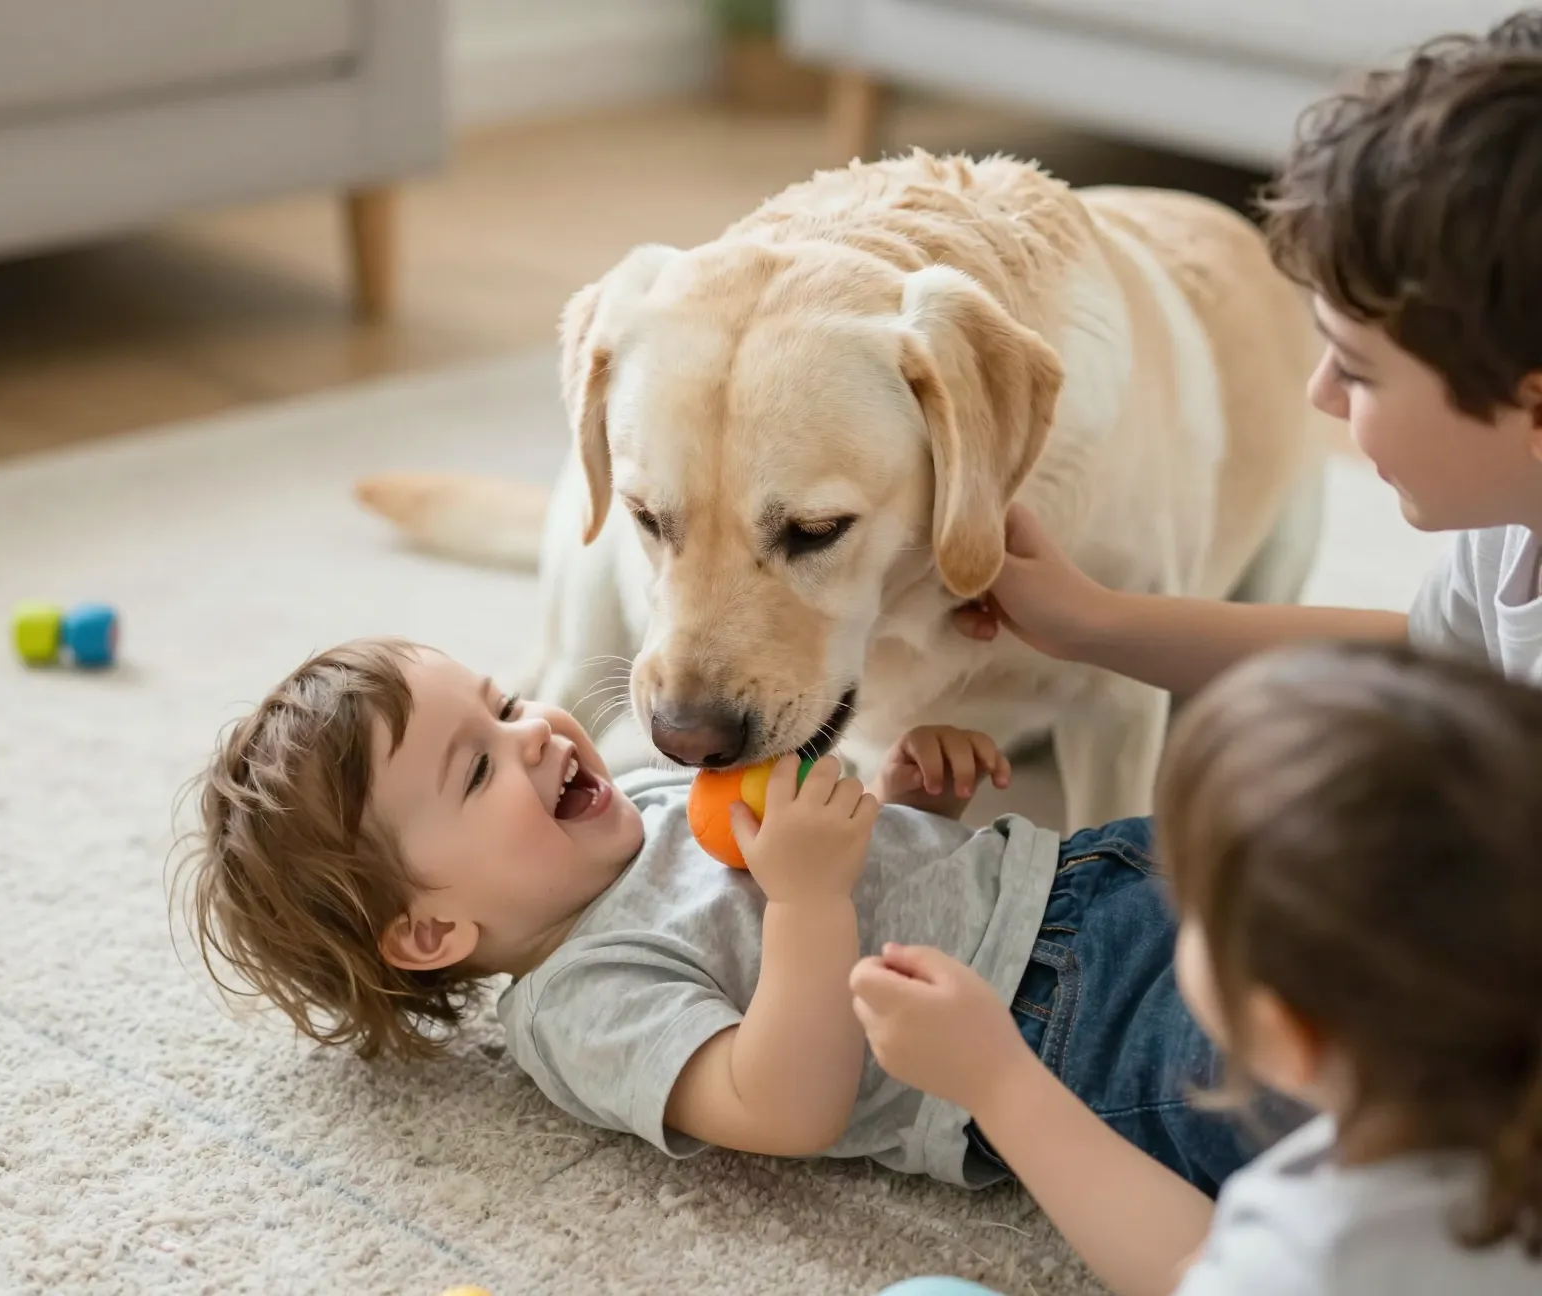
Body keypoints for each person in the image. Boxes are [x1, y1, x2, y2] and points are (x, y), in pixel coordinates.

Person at [179, 635, 1257, 1196]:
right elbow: (784, 1103)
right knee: (1310, 1073)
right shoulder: (577, 1005)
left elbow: (846, 890)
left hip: (1084, 875)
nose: (539, 735)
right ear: (430, 934)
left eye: (505, 705)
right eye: (477, 770)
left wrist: (902, 809)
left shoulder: (641, 802)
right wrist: (809, 895)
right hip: (1061, 1038)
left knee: (1340, 862)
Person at [851, 641, 1542, 1294]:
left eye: (1190, 902)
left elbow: (1191, 1272)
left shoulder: (1307, 1246)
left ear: (1289, 1034)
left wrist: (994, 1078)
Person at [955, 10, 1542, 697]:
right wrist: (1092, 619)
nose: (1321, 394)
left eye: (1355, 369)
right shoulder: (1514, 515)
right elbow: (1427, 660)